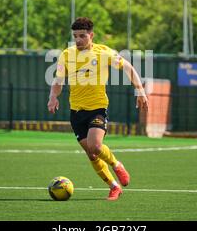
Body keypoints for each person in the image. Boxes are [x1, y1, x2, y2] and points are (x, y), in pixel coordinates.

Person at [47, 17, 149, 201]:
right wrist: (53, 96)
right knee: (91, 154)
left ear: (91, 35)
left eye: (82, 36)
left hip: (97, 108)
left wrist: (139, 90)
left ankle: (116, 164)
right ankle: (114, 186)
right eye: (75, 36)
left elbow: (128, 67)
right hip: (76, 112)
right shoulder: (66, 55)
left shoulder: (103, 52)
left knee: (95, 145)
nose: (78, 40)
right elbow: (58, 80)